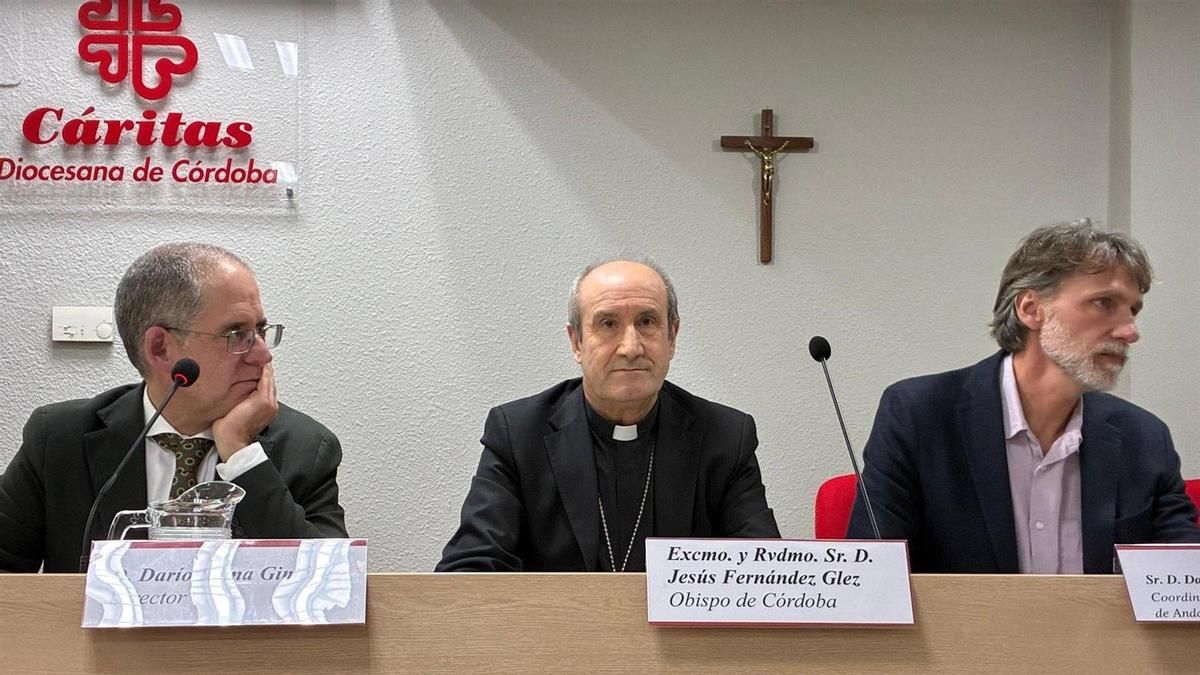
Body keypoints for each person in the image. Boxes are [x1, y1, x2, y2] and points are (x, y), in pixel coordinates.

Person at [848, 222, 1200, 573]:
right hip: (966, 630)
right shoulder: (920, 417)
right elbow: (870, 581)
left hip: (1098, 631)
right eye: (1104, 303)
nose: (1130, 332)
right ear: (1030, 309)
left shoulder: (1144, 438)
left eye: (1133, 311)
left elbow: (1185, 581)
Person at [0, 243, 347, 572]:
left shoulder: (306, 448)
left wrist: (241, 454)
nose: (263, 354)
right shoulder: (60, 440)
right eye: (236, 335)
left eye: (260, 331)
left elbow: (329, 588)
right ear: (160, 349)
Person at [438, 259, 779, 572]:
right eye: (608, 324)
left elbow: (764, 575)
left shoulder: (725, 437)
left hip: (681, 641)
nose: (630, 347)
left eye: (647, 322)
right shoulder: (518, 435)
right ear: (576, 342)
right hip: (556, 637)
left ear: (672, 337)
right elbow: (471, 570)